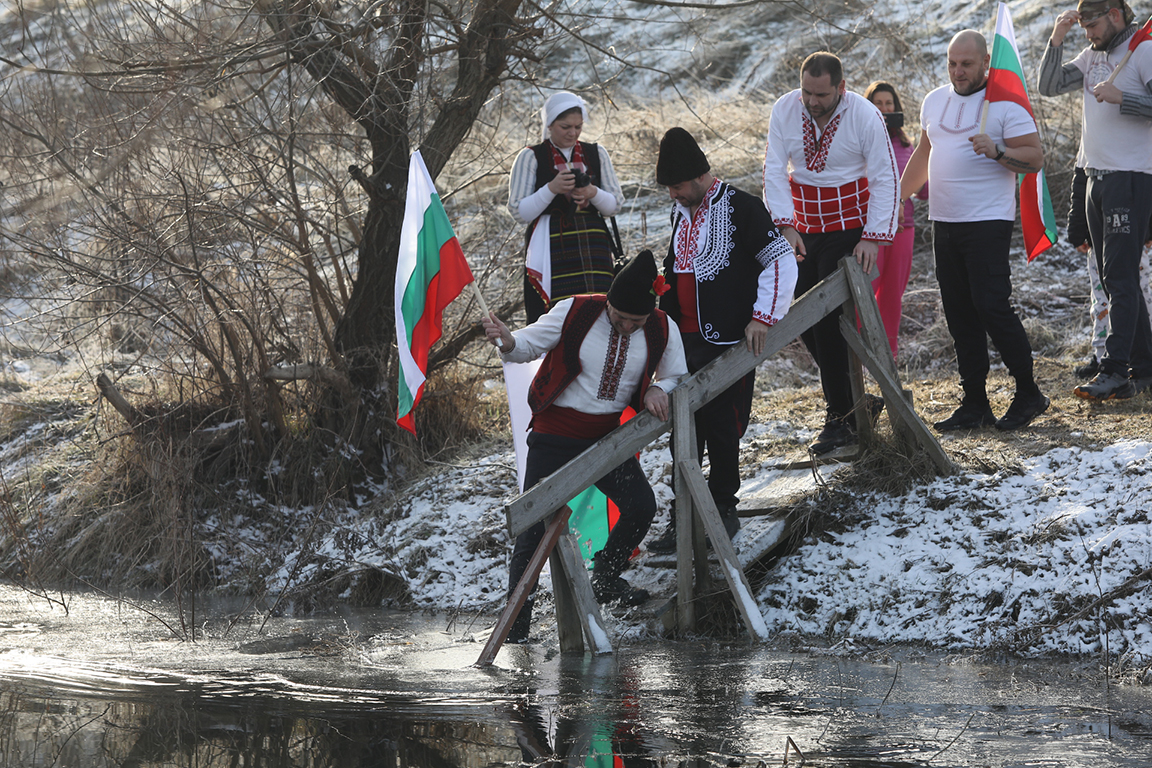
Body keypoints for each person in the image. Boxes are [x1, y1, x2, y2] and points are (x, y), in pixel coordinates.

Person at [483, 250, 687, 643]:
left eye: (636, 321)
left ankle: (606, 577)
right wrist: (509, 340)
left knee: (641, 506)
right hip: (554, 435)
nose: (627, 327)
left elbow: (676, 372)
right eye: (620, 318)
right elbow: (529, 343)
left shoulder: (662, 327)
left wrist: (659, 387)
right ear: (608, 302)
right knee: (531, 533)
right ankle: (516, 634)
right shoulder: (575, 310)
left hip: (606, 440)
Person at [647, 127, 797, 553]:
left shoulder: (743, 208)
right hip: (683, 340)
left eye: (677, 186)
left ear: (697, 177)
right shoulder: (681, 213)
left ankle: (724, 510)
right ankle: (685, 517)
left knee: (724, 424)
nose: (673, 194)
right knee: (683, 429)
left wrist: (762, 318)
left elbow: (780, 262)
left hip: (728, 339)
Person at [899, 30, 1049, 432]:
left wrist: (999, 152)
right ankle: (975, 403)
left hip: (987, 223)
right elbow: (923, 154)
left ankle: (1028, 392)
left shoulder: (1004, 105)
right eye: (952, 63)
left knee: (991, 307)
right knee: (960, 315)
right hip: (944, 223)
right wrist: (899, 198)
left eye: (966, 63)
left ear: (985, 62)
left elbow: (1034, 159)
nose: (958, 70)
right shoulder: (934, 101)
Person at [763, 52, 900, 455]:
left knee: (826, 313)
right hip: (802, 226)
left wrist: (873, 237)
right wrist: (785, 224)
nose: (812, 100)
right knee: (798, 309)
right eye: (806, 91)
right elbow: (774, 168)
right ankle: (858, 402)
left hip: (850, 225)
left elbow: (884, 175)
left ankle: (839, 417)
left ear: (841, 87)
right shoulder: (785, 110)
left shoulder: (864, 115)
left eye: (821, 94)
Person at [1038, 0, 1152, 399]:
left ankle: (1115, 369)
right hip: (1095, 178)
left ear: (1116, 15)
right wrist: (1057, 37)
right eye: (1082, 26)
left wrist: (1124, 98)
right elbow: (1048, 86)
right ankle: (1146, 365)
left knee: (1120, 278)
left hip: (1131, 178)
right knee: (1113, 278)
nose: (1087, 33)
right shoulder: (1091, 56)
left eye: (1092, 25)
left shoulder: (1143, 51)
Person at [508, 92, 626, 323]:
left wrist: (592, 192)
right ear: (549, 124)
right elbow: (519, 213)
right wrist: (551, 188)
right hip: (550, 244)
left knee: (600, 308)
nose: (573, 133)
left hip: (594, 242)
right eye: (565, 127)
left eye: (578, 127)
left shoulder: (596, 153)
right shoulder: (531, 156)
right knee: (557, 313)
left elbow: (614, 206)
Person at [1066, 164, 1152, 384]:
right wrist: (1078, 223)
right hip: (1097, 226)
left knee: (1135, 292)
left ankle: (1137, 360)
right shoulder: (1092, 135)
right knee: (1101, 297)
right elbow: (1081, 172)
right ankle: (1101, 354)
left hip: (1131, 222)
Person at [864, 81, 925, 358]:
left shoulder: (906, 145)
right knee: (865, 293)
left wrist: (934, 165)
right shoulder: (860, 142)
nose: (885, 109)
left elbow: (923, 191)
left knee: (892, 296)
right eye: (878, 103)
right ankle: (861, 353)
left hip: (904, 229)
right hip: (871, 231)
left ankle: (889, 355)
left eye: (889, 103)